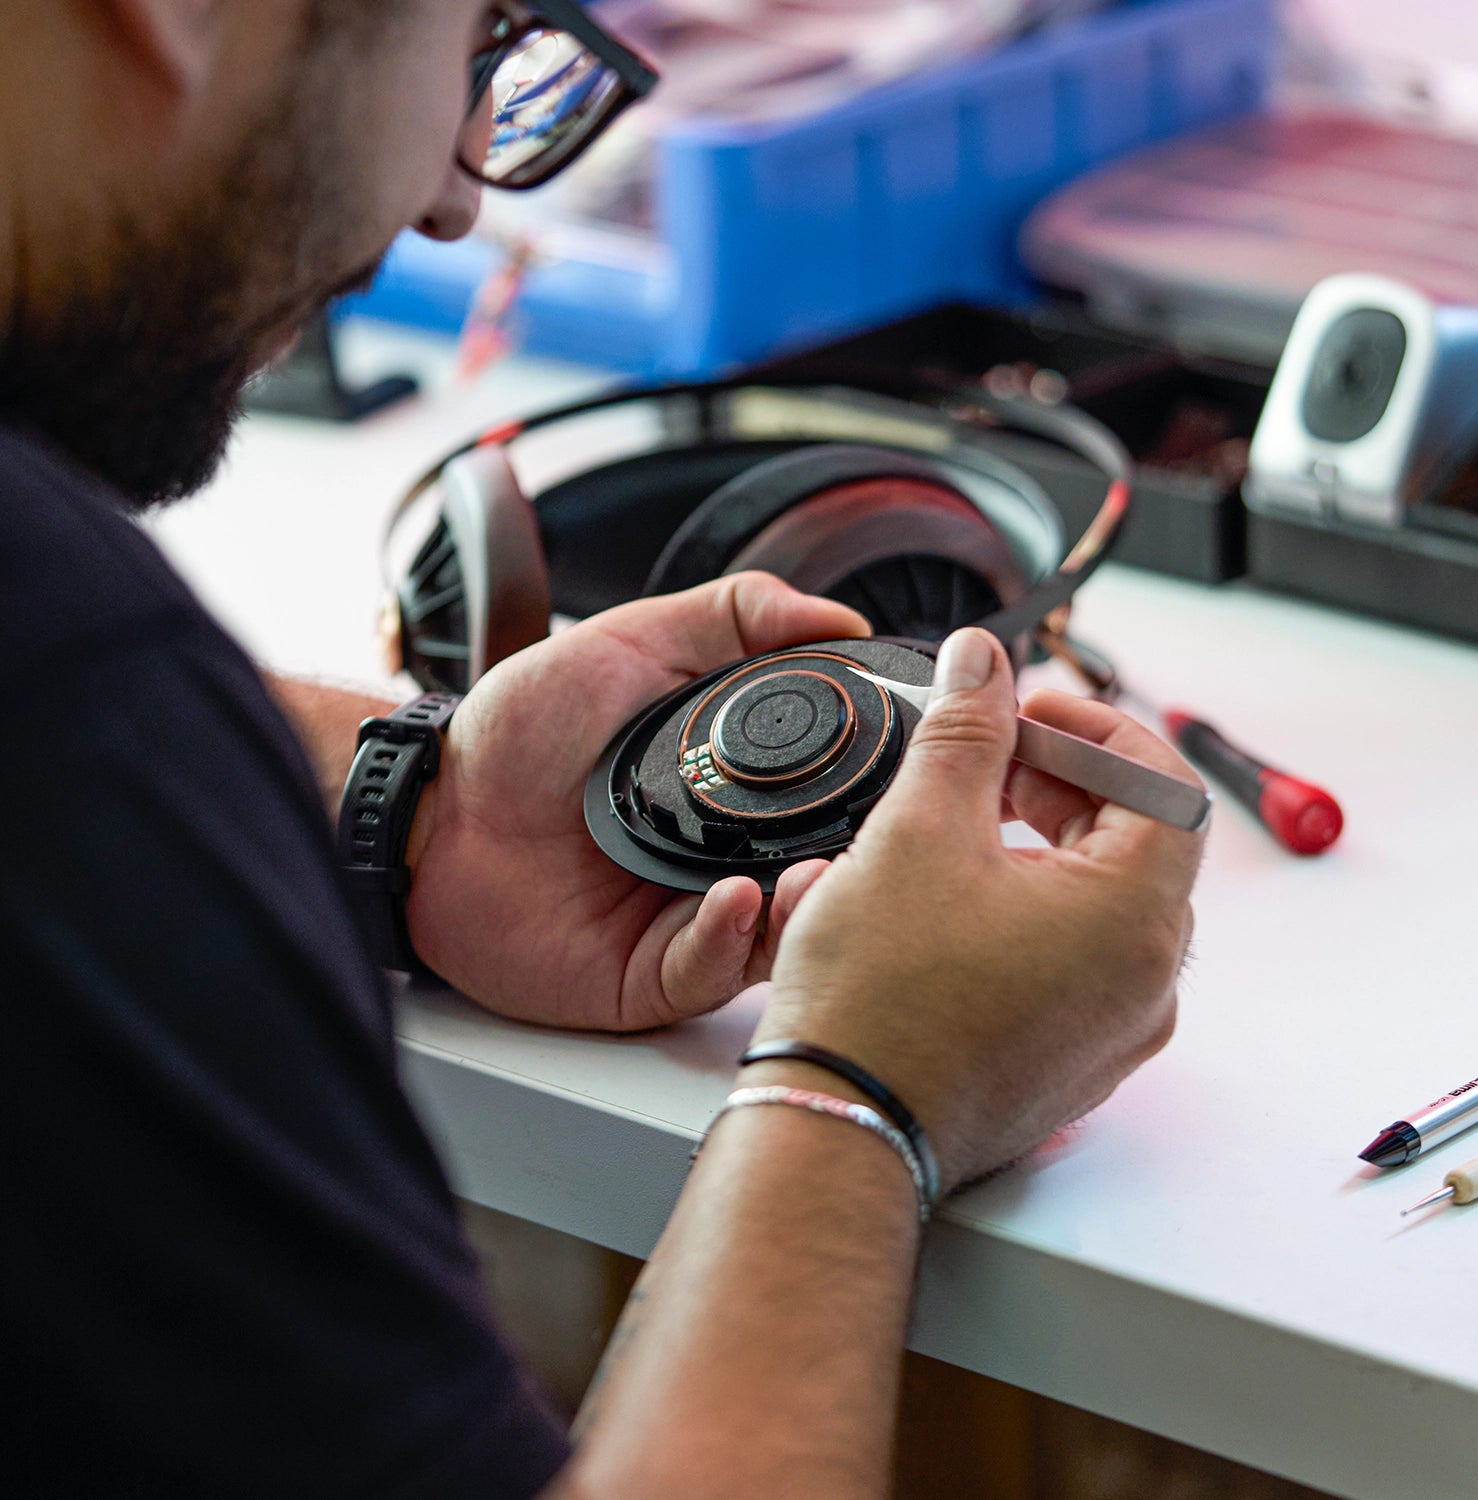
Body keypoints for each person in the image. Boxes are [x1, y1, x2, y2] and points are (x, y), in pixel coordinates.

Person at [0, 1, 1205, 1495]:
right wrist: (861, 1094)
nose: (456, 194)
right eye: (477, 36)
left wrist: (422, 811)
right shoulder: (74, 688)